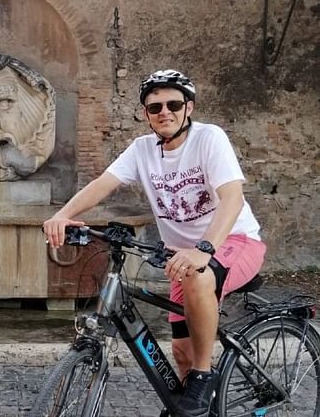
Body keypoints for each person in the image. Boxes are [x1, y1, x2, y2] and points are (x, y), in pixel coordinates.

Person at [43, 69, 266, 417]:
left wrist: (204, 248)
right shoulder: (142, 150)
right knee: (180, 352)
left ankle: (204, 377)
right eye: (155, 107)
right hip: (181, 260)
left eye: (173, 104)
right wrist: (63, 214)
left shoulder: (209, 138)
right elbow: (103, 183)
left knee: (198, 284)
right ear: (146, 114)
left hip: (235, 242)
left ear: (188, 107)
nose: (165, 112)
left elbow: (232, 198)